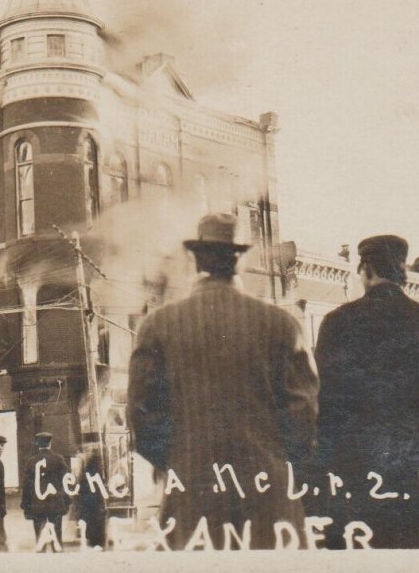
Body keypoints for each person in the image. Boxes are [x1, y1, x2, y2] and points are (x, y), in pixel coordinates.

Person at [127, 213, 319, 550]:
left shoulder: (157, 326)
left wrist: (178, 461)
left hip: (191, 493)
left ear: (195, 259)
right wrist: (277, 461)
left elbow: (143, 415)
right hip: (268, 494)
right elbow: (303, 412)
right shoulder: (282, 325)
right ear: (239, 260)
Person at [314, 234, 419, 548]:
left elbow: (326, 406)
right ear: (401, 271)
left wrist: (321, 473)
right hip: (416, 468)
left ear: (365, 269)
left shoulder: (337, 322)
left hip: (357, 467)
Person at [20, 432, 71, 549]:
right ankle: (57, 557)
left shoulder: (31, 461)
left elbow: (27, 486)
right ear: (50, 443)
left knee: (39, 536)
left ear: (37, 444)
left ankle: (41, 557)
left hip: (37, 504)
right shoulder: (58, 459)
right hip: (55, 502)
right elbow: (66, 481)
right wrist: (66, 501)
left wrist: (25, 505)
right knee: (57, 536)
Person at [76, 448, 106, 549]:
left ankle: (90, 540)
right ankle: (97, 542)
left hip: (86, 500)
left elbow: (81, 487)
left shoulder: (84, 473)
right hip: (96, 501)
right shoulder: (98, 473)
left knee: (88, 520)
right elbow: (100, 489)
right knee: (96, 520)